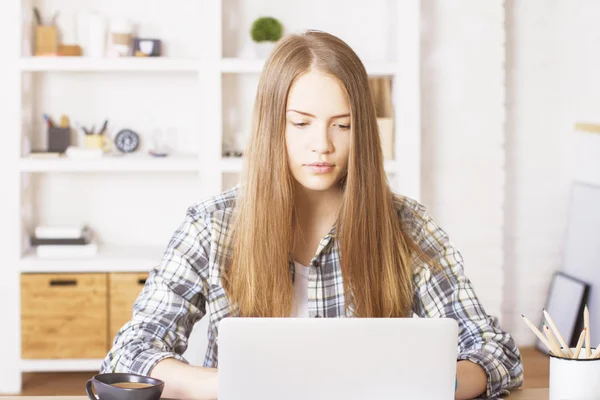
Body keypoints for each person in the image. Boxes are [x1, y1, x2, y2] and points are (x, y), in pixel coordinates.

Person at [100, 30, 523, 400]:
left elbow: (493, 350)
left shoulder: (405, 224)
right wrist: (237, 386)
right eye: (300, 123)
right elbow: (131, 352)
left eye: (342, 125)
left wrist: (427, 383)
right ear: (272, 126)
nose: (322, 145)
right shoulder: (213, 226)